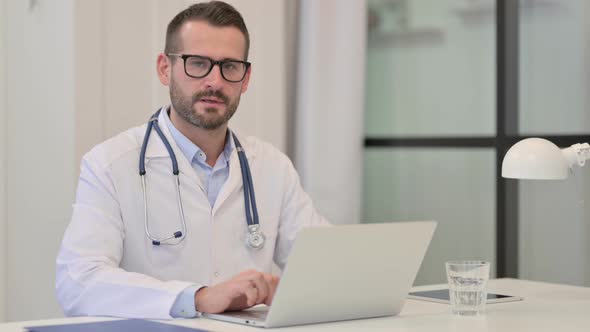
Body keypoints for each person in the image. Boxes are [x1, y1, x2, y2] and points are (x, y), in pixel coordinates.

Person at [56, 1, 330, 320]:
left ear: (246, 77)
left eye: (229, 66)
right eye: (197, 63)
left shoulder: (272, 167)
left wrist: (286, 288)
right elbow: (78, 282)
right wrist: (198, 297)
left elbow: (324, 266)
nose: (214, 81)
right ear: (164, 68)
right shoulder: (110, 164)